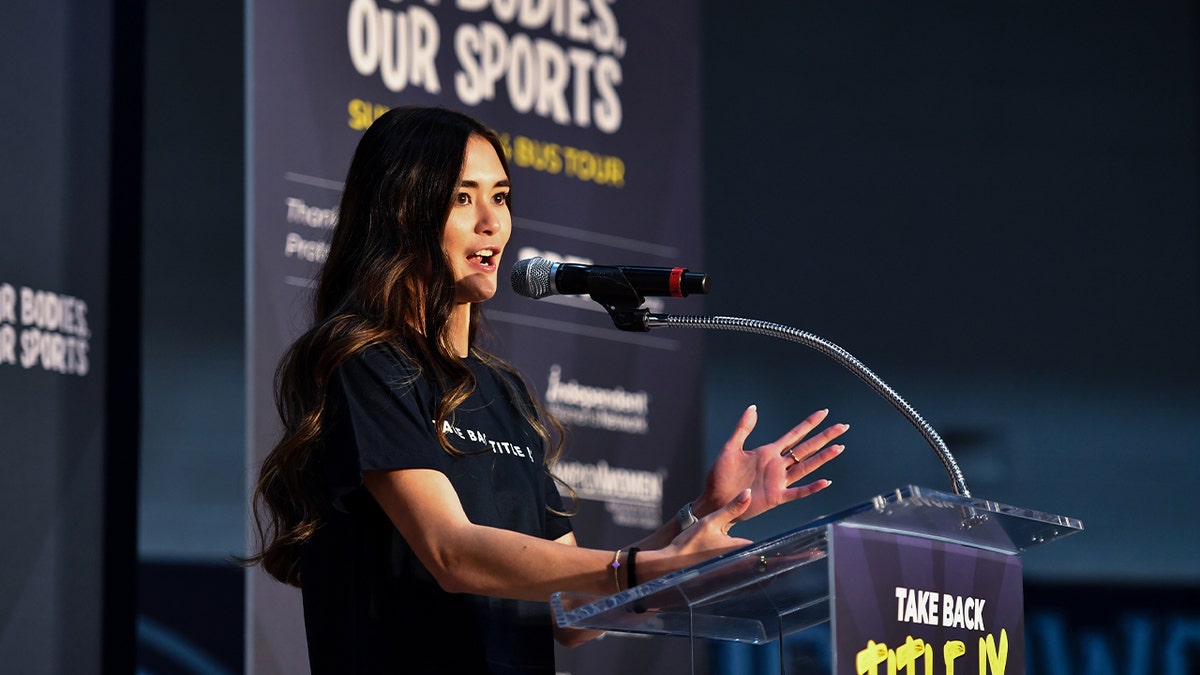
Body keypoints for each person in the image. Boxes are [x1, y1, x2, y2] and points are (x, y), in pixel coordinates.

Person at [246, 105, 848, 674]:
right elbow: (452, 552)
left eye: (501, 198)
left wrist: (701, 516)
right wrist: (639, 568)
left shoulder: (503, 389)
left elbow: (573, 614)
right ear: (402, 211)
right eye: (463, 198)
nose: (492, 222)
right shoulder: (367, 362)